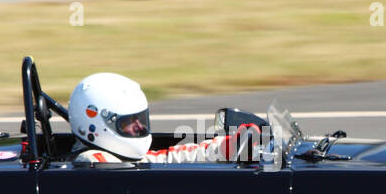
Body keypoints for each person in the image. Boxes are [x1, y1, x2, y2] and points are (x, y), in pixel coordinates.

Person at [68, 72, 254, 164]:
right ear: (96, 126)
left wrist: (224, 147)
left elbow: (162, 159)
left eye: (140, 119)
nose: (140, 127)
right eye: (128, 122)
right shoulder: (95, 163)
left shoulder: (115, 157)